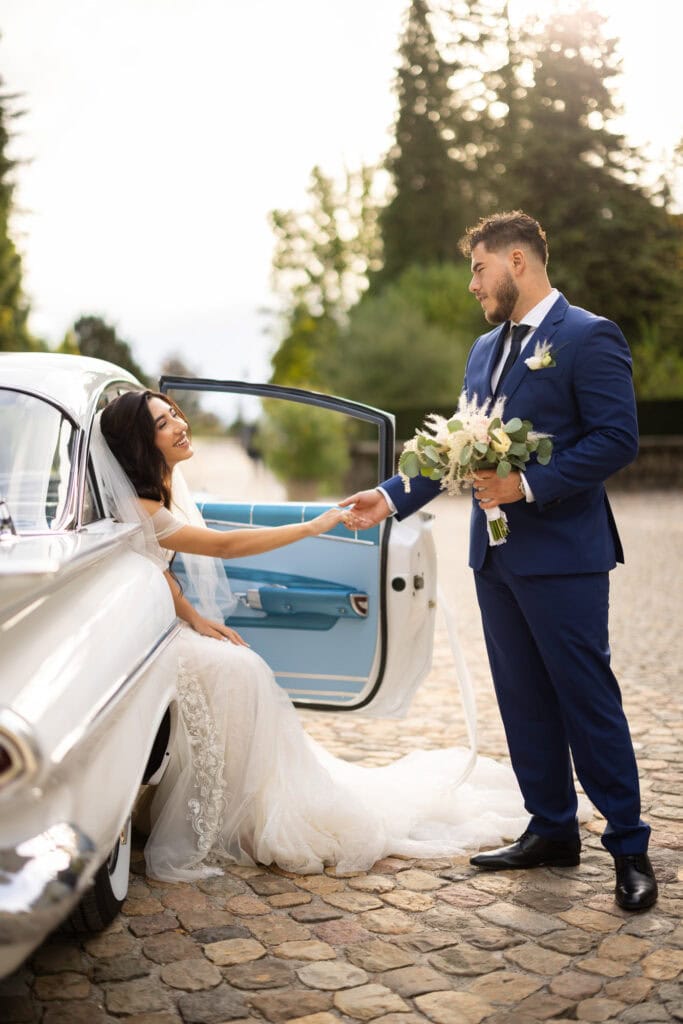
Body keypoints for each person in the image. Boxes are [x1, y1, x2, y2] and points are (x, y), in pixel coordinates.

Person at [342, 211, 657, 912]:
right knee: (521, 698)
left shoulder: (588, 336)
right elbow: (455, 447)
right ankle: (550, 829)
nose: (470, 285)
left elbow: (616, 439)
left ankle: (630, 847)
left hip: (566, 555)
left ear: (518, 261)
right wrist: (390, 496)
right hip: (495, 556)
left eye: (478, 269)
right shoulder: (483, 349)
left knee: (586, 699)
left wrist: (528, 484)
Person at [96, 388, 530, 882]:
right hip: (137, 642)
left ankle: (247, 807)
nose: (179, 423)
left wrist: (194, 616)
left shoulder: (161, 490)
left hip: (163, 625)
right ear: (139, 442)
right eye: (162, 422)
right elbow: (223, 544)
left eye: (175, 412)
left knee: (241, 665)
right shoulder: (139, 506)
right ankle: (230, 814)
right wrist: (311, 527)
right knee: (241, 670)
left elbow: (157, 569)